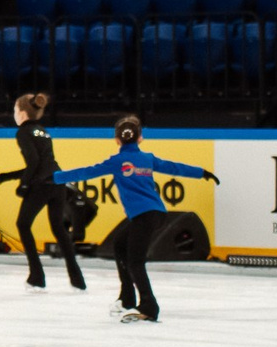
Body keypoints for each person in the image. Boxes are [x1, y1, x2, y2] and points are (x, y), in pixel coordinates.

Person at [50, 115, 216, 322]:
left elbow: (87, 172)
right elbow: (174, 167)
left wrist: (55, 177)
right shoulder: (147, 159)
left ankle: (149, 307)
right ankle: (127, 297)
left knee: (135, 261)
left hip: (144, 217)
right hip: (156, 214)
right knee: (120, 245)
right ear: (140, 138)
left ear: (116, 140)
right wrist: (202, 173)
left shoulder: (117, 161)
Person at [0, 92, 84, 292]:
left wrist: (24, 185)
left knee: (23, 224)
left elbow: (34, 163)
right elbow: (42, 163)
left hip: (43, 185)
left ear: (22, 113)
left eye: (15, 110)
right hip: (57, 181)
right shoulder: (42, 131)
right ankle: (77, 278)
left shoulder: (23, 133)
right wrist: (10, 176)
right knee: (59, 229)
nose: (14, 114)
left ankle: (37, 275)